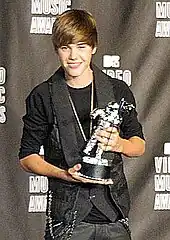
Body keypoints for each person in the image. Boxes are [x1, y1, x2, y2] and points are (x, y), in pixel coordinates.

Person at [19, 9, 145, 240]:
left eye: (81, 46)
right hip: (67, 220)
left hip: (113, 217)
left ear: (94, 47)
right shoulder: (43, 95)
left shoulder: (117, 90)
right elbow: (27, 158)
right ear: (57, 49)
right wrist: (63, 174)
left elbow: (139, 146)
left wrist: (118, 144)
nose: (73, 56)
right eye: (65, 47)